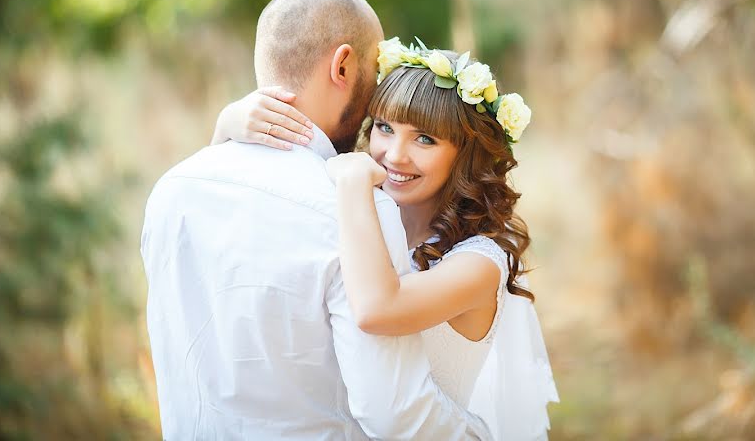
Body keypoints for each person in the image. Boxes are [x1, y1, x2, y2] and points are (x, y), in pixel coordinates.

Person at [141, 0, 491, 440]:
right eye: (374, 67)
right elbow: (393, 413)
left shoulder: (173, 190)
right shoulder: (356, 209)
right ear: (343, 66)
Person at [214, 38, 558, 439]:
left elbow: (378, 309)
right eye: (384, 128)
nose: (395, 155)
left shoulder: (481, 262)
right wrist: (225, 129)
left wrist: (352, 182)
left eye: (424, 139)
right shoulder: (367, 214)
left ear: (465, 155)